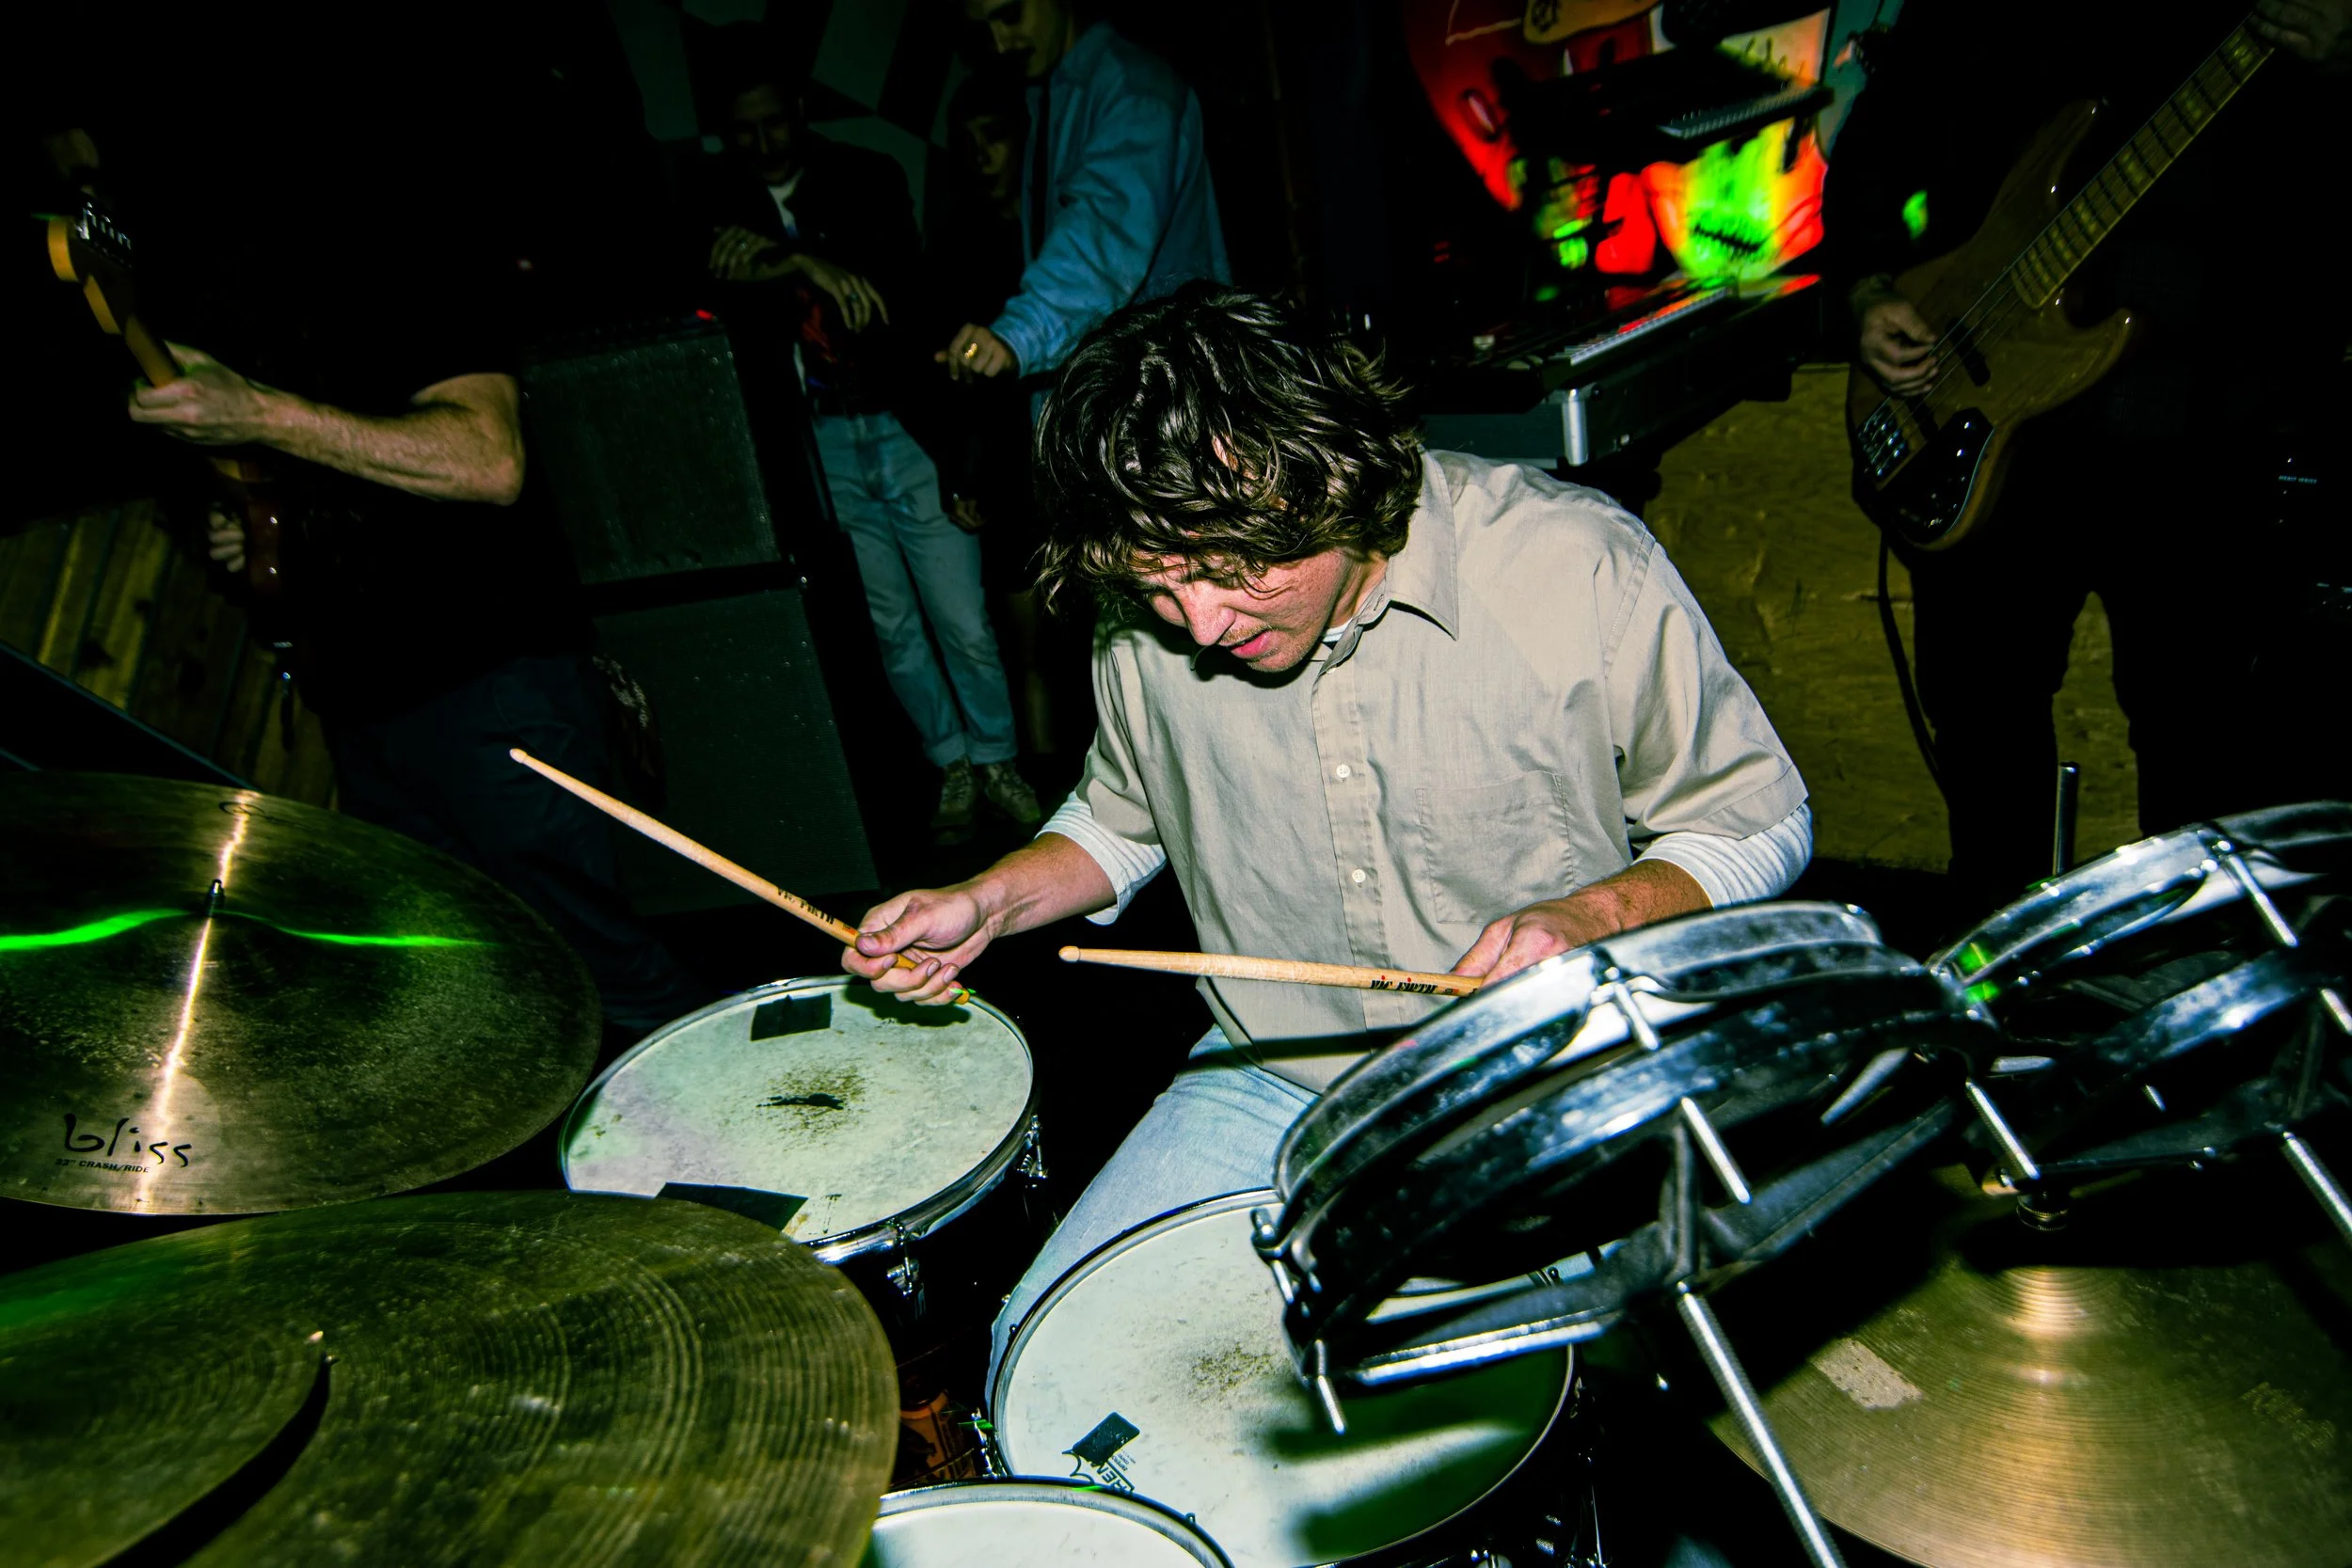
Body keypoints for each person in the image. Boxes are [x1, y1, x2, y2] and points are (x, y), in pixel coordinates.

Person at [843, 285, 1815, 1368]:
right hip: (1277, 1065)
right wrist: (986, 899)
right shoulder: (1147, 619)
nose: (1200, 626)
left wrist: (1596, 913)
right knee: (1049, 1348)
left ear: (1341, 475)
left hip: (1542, 1068)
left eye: (1230, 567)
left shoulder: (1573, 564)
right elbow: (1123, 820)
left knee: (1634, 1389)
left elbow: (1757, 818)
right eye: (1158, 582)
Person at [68, 56, 709, 1039]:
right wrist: (258, 522)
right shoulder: (253, 288)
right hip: (364, 703)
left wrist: (260, 414)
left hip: (489, 682)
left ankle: (734, 1171)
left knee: (600, 974)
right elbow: (328, 463)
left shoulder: (415, 239)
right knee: (474, 999)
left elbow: (487, 459)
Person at [1829, 0, 2352, 916]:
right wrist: (1871, 288)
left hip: (2202, 425)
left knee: (2200, 734)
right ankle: (1994, 975)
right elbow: (1879, 146)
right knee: (1983, 717)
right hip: (1989, 423)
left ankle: (2200, 986)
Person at [707, 60, 1042, 843]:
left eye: (774, 120)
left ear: (797, 106)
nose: (762, 141)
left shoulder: (864, 175)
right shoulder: (718, 197)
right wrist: (796, 264)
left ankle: (998, 758)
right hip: (818, 443)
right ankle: (951, 763)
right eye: (743, 127)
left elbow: (905, 300)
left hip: (900, 427)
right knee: (891, 623)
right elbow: (701, 273)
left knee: (961, 617)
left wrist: (964, 460)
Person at [940, 0, 1230, 386]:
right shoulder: (1048, 100)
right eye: (984, 30)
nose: (1000, 43)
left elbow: (1104, 232)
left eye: (1010, 16)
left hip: (1168, 388)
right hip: (1117, 394)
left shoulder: (1134, 87)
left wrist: (1018, 336)